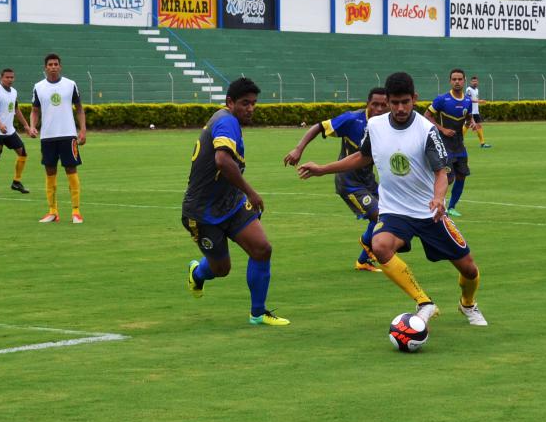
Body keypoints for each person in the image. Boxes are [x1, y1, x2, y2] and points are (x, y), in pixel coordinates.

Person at [297, 72, 487, 327]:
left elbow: (441, 172)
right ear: (387, 101)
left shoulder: (427, 130)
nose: (400, 108)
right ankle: (424, 302)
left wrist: (439, 199)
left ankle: (468, 304)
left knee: (469, 269)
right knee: (380, 246)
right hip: (394, 211)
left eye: (405, 102)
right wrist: (323, 169)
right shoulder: (375, 127)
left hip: (429, 212)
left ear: (414, 99)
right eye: (394, 102)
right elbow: (362, 157)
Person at [182, 78, 290, 327]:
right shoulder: (227, 121)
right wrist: (251, 192)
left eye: (253, 103)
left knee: (262, 249)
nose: (250, 108)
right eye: (245, 103)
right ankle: (197, 273)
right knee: (221, 269)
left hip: (230, 202)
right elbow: (222, 160)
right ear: (230, 102)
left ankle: (258, 313)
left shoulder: (227, 120)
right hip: (202, 212)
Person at [283, 88, 388, 272]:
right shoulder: (352, 120)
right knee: (379, 216)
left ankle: (363, 261)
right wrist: (298, 149)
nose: (379, 109)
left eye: (383, 105)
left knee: (388, 215)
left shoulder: (388, 125)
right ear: (367, 104)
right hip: (349, 184)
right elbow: (319, 126)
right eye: (375, 105)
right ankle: (366, 243)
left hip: (368, 180)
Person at [30, 54, 86, 223]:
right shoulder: (38, 87)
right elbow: (35, 111)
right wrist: (32, 126)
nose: (53, 67)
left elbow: (79, 108)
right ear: (45, 67)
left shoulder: (70, 84)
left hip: (68, 135)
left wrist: (83, 129)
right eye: (50, 64)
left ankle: (76, 212)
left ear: (60, 67)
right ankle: (53, 212)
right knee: (50, 172)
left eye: (56, 64)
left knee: (71, 170)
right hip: (47, 136)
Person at [424, 68, 475, 218]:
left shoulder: (467, 101)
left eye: (460, 79)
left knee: (462, 175)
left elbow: (468, 117)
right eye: (454, 79)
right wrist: (443, 129)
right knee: (448, 177)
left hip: (459, 145)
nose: (457, 82)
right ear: (450, 81)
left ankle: (451, 207)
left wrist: (471, 123)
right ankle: (437, 203)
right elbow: (426, 116)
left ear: (464, 81)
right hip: (443, 144)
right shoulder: (442, 99)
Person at [0, 68, 35, 195]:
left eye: (12, 77)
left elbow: (16, 110)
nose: (10, 79)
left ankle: (16, 182)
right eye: (7, 77)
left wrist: (26, 126)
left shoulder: (14, 92)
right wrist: (0, 124)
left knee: (23, 153)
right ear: (1, 78)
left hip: (10, 131)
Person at [465, 75, 492, 148]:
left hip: (476, 112)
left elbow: (475, 99)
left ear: (478, 82)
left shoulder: (476, 90)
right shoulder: (469, 89)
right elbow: (468, 100)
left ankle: (482, 143)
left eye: (476, 81)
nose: (475, 82)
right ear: (470, 82)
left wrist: (478, 103)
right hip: (470, 112)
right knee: (467, 126)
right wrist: (479, 101)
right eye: (473, 81)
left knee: (479, 126)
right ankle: (458, 143)